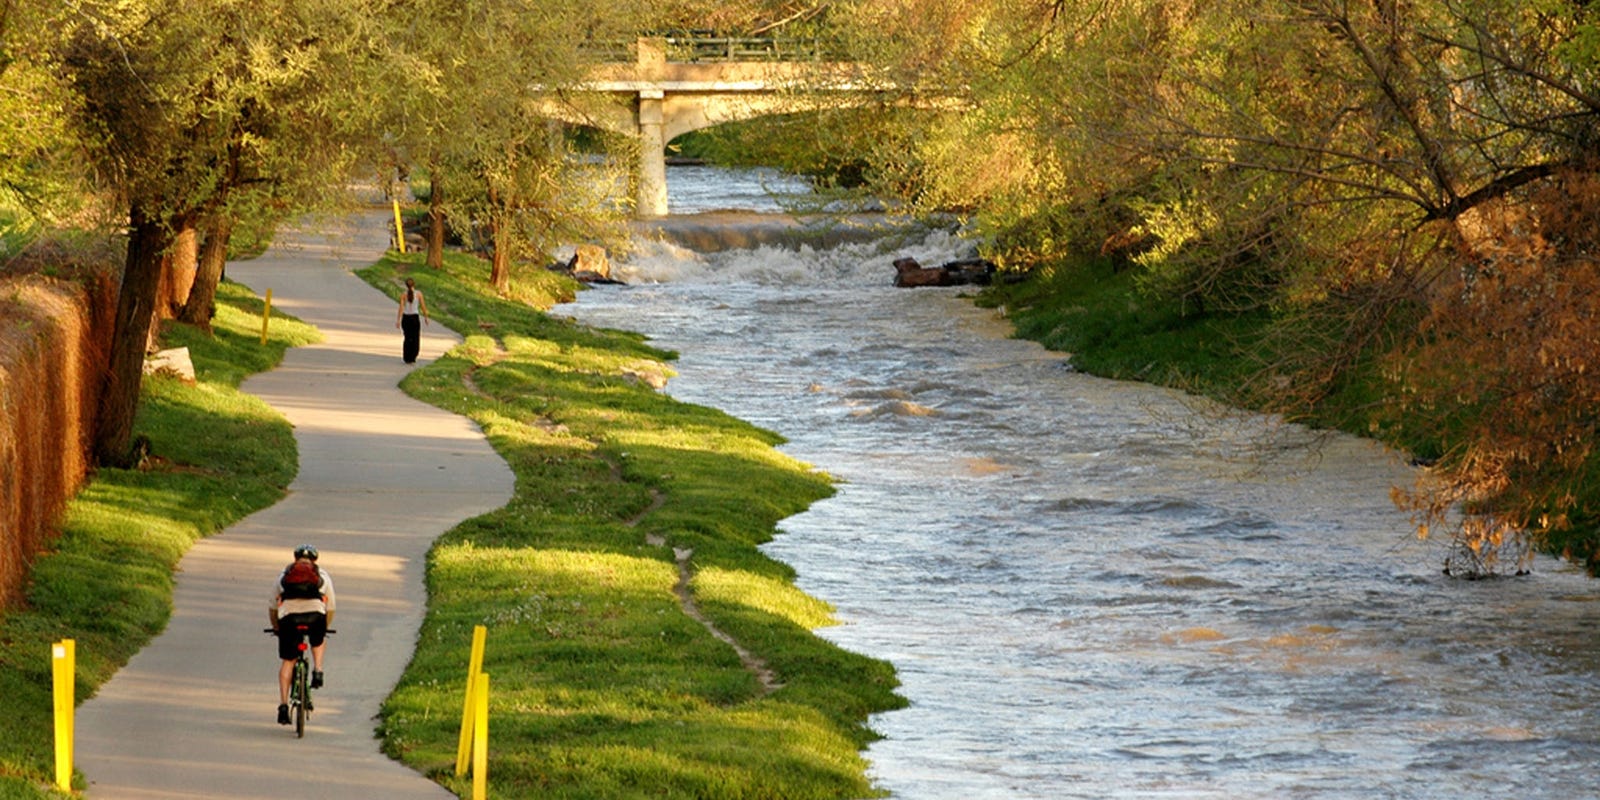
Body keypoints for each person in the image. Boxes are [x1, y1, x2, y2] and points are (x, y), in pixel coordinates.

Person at [269, 544, 335, 725]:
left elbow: (273, 606)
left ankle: (283, 706)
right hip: (315, 616)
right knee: (318, 641)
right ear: (315, 560)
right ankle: (318, 670)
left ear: (295, 558)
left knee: (288, 661)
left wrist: (276, 627)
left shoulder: (283, 575)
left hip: (288, 618)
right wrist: (324, 626)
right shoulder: (323, 576)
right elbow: (331, 607)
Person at [395, 277, 429, 364]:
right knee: (415, 337)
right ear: (414, 284)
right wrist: (426, 317)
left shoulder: (403, 295)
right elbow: (423, 306)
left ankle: (407, 357)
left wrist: (398, 320)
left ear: (406, 285)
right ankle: (413, 356)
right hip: (414, 318)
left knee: (407, 338)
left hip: (406, 318)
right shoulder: (418, 294)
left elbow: (401, 308)